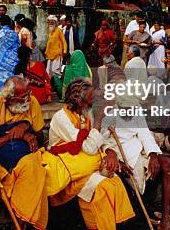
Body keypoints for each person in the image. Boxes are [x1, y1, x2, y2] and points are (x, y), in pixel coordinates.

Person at [48, 78, 135, 230]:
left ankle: (114, 224)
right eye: (90, 100)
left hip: (85, 162)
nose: (93, 103)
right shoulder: (61, 118)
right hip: (67, 167)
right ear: (80, 102)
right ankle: (97, 225)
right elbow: (89, 147)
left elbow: (96, 139)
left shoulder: (84, 114)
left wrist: (110, 151)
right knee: (103, 187)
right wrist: (99, 119)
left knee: (114, 182)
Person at [101, 92, 170, 230]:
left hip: (139, 149)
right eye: (127, 110)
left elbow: (144, 133)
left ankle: (167, 221)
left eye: (132, 109)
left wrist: (152, 154)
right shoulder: (109, 116)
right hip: (122, 154)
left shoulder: (136, 109)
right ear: (119, 106)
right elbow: (103, 141)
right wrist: (111, 152)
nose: (131, 112)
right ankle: (164, 221)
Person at [0, 76, 49, 230]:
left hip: (28, 154)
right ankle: (25, 221)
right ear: (10, 98)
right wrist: (11, 136)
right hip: (4, 156)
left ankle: (23, 221)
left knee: (33, 167)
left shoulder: (32, 102)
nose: (28, 99)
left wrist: (25, 127)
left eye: (29, 94)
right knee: (32, 169)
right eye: (23, 97)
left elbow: (40, 136)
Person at [0, 15, 21, 95]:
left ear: (0, 23)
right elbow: (18, 47)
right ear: (10, 22)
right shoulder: (14, 34)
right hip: (11, 63)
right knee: (10, 85)